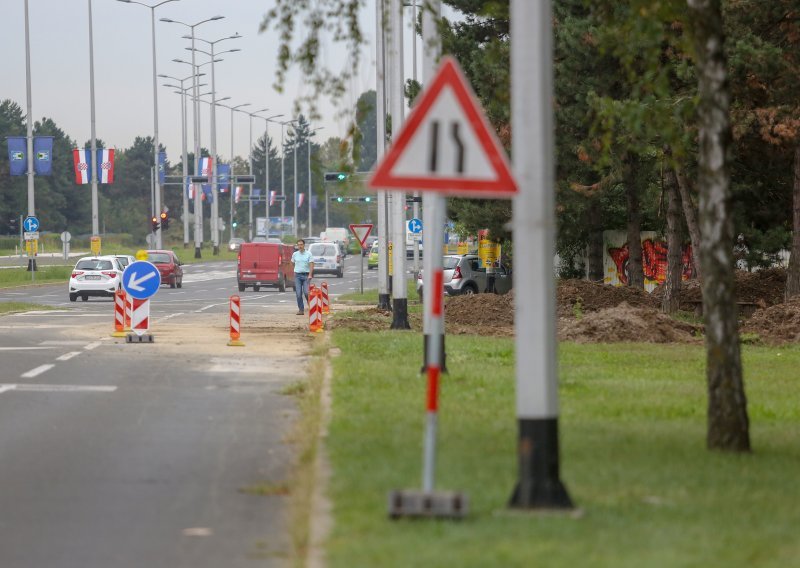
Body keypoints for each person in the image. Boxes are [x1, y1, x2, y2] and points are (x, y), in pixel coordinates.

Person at [291, 239, 314, 315]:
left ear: (304, 245)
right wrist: (296, 270)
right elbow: (292, 263)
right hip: (297, 275)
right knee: (298, 293)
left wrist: (310, 274)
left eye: (301, 244)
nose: (300, 246)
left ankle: (311, 305)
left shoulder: (308, 254)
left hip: (306, 276)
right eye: (298, 245)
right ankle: (301, 310)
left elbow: (311, 264)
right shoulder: (295, 254)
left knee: (306, 292)